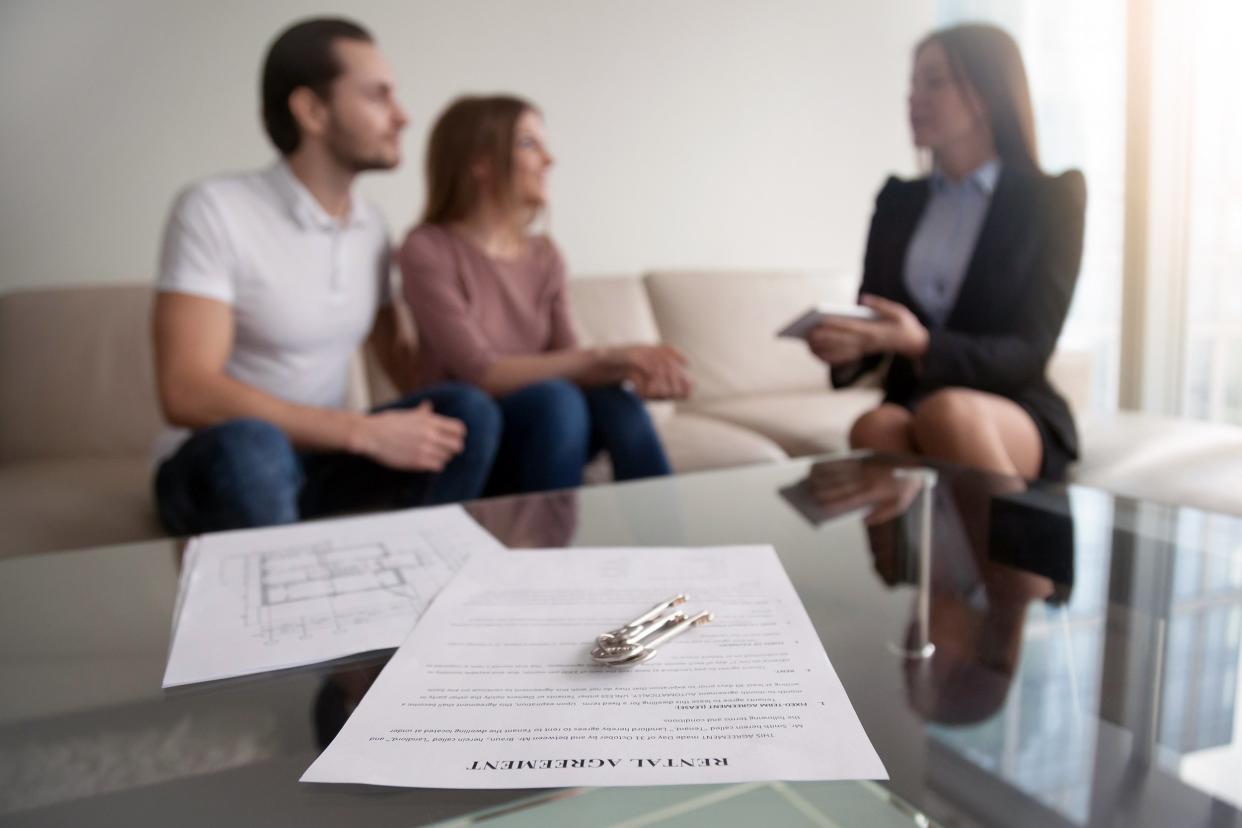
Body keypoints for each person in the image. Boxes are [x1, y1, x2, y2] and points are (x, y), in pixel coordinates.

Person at [152, 18, 501, 535]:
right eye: (378, 97)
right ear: (312, 111)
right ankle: (286, 611)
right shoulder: (213, 209)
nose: (402, 117)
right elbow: (186, 391)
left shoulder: (372, 225)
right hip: (219, 463)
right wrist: (361, 431)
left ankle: (422, 570)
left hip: (321, 461)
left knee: (467, 413)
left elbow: (402, 365)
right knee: (256, 443)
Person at [808, 24, 1086, 481]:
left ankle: (1015, 555)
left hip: (1013, 405)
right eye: (912, 84)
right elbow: (876, 315)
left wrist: (921, 343)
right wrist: (849, 346)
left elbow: (1030, 350)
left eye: (934, 82)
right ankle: (914, 557)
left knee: (949, 415)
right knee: (876, 426)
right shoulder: (898, 200)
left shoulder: (1051, 199)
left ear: (986, 92)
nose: (913, 98)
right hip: (914, 399)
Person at [398, 95, 690, 494]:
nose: (549, 160)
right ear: (478, 162)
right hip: (474, 436)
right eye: (528, 143)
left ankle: (676, 550)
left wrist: (631, 368)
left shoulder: (545, 254)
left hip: (554, 429)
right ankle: (546, 553)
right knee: (557, 398)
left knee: (614, 399)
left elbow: (569, 356)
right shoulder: (426, 249)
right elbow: (480, 373)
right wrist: (608, 354)